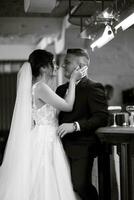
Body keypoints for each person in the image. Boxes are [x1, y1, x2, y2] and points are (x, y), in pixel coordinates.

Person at [0, 49, 87, 200]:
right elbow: (67, 106)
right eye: (52, 63)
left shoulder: (38, 87)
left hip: (46, 134)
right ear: (43, 67)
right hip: (45, 139)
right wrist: (72, 80)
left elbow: (54, 112)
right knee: (46, 177)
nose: (56, 66)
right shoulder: (40, 87)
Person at [56, 48, 109, 200]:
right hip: (59, 146)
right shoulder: (60, 89)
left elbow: (101, 117)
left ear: (80, 67)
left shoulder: (93, 87)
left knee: (80, 185)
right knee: (64, 187)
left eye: (67, 62)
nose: (63, 65)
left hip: (82, 146)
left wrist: (75, 126)